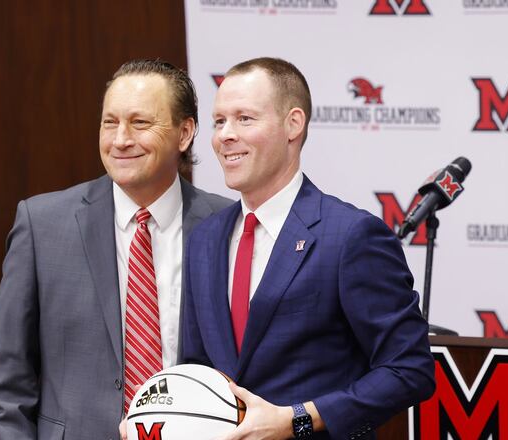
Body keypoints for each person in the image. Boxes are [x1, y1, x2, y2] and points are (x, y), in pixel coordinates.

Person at [180, 57, 435, 440]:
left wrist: (297, 419)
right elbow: (196, 370)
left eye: (244, 119)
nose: (225, 135)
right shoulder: (204, 239)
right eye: (219, 121)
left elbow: (409, 369)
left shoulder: (351, 235)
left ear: (293, 125)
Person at [0, 59, 231, 440]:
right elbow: (6, 385)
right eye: (110, 122)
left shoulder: (225, 224)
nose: (120, 139)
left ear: (185, 133)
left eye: (140, 123)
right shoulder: (42, 224)